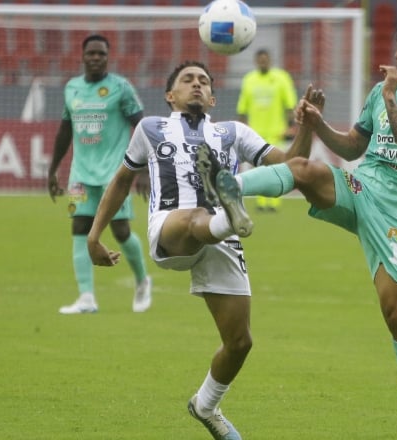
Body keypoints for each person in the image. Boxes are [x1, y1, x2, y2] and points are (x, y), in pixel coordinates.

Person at [207, 17, 397, 440]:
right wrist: (316, 123)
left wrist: (392, 98)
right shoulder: (381, 95)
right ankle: (230, 186)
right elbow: (353, 146)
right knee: (306, 168)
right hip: (361, 188)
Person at [86, 60, 323, 440]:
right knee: (198, 213)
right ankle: (229, 213)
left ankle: (205, 405)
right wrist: (94, 235)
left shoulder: (233, 132)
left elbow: (294, 166)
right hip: (171, 228)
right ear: (170, 95)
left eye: (204, 81)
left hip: (221, 243)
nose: (196, 84)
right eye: (187, 80)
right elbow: (121, 180)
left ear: (213, 97)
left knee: (240, 342)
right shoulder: (150, 127)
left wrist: (308, 125)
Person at [47, 34, 152, 315]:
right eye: (91, 53)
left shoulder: (121, 88)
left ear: (108, 57)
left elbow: (142, 128)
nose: (96, 58)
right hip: (80, 175)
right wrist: (53, 168)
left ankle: (142, 280)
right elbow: (64, 130)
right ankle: (86, 298)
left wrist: (141, 168)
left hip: (114, 174)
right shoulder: (72, 88)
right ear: (82, 56)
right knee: (79, 229)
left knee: (121, 231)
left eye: (101, 54)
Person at [236, 48, 298, 212]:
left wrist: (292, 126)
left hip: (276, 130)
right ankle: (262, 203)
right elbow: (243, 107)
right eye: (260, 60)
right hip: (255, 132)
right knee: (259, 169)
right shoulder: (249, 79)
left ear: (270, 60)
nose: (263, 62)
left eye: (266, 59)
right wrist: (242, 127)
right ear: (256, 61)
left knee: (275, 167)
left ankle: (274, 202)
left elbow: (289, 104)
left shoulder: (281, 78)